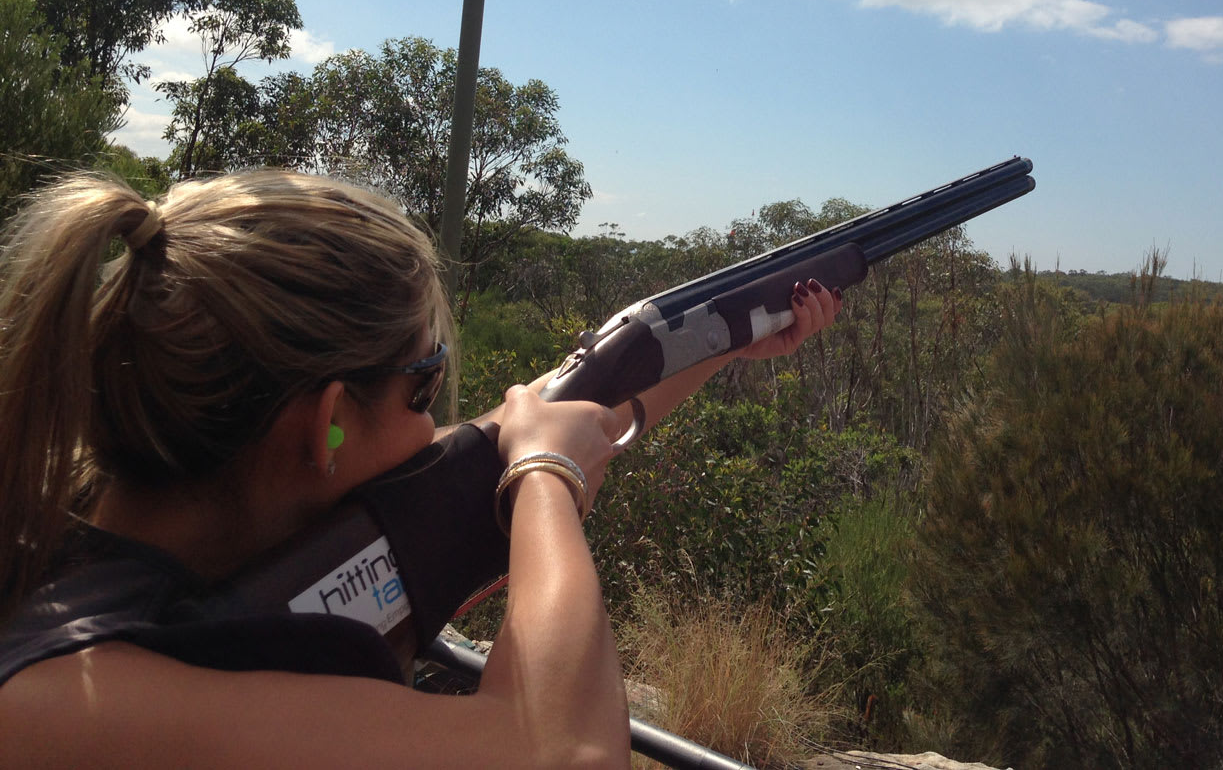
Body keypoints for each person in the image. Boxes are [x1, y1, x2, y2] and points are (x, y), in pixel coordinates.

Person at [0, 169, 840, 768]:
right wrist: (545, 476)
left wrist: (728, 342)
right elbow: (563, 751)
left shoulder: (87, 527)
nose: (439, 421)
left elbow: (570, 412)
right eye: (424, 386)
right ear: (327, 426)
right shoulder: (61, 704)